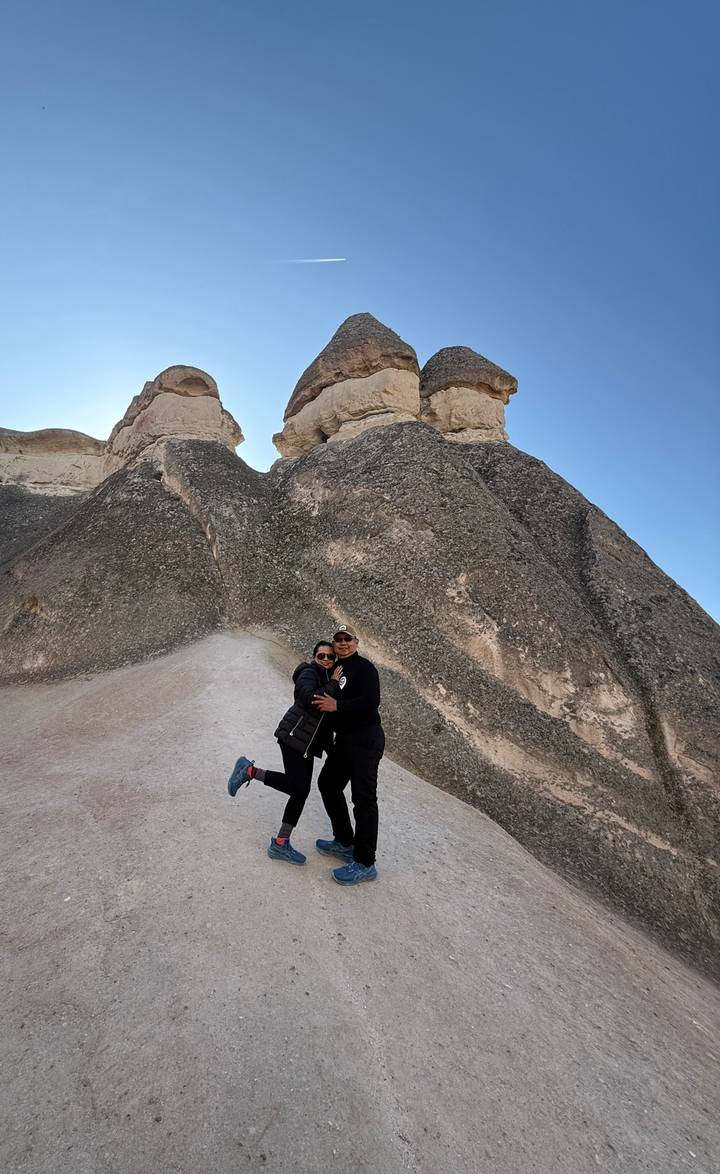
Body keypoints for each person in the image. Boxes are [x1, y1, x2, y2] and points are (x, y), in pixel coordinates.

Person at [227, 641, 341, 864]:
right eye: (322, 656)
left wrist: (332, 751)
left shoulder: (327, 679)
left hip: (306, 744)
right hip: (292, 738)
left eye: (330, 657)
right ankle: (249, 771)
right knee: (299, 789)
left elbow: (324, 723)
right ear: (314, 657)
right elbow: (311, 699)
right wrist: (334, 684)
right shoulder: (309, 673)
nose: (326, 660)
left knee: (300, 792)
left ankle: (280, 843)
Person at [312, 624, 384, 886]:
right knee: (328, 784)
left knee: (363, 799)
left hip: (366, 739)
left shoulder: (365, 668)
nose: (342, 643)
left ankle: (365, 863)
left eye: (347, 639)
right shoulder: (334, 668)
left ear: (356, 642)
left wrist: (338, 706)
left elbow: (371, 702)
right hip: (344, 741)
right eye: (338, 639)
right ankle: (344, 841)